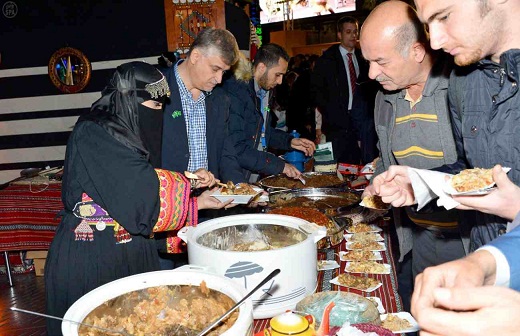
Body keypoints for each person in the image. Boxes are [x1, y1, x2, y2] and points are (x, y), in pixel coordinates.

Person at [45, 61, 231, 335]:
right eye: (155, 107)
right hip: (93, 257)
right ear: (129, 101)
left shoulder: (125, 136)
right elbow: (139, 195)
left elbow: (138, 191)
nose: (159, 115)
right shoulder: (94, 133)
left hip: (130, 252)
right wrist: (188, 182)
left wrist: (200, 202)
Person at [359, 0, 468, 311]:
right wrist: (377, 182)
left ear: (417, 52)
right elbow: (386, 158)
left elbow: (481, 170)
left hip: (466, 244)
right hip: (414, 241)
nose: (371, 73)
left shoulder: (458, 87)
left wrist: (417, 185)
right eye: (367, 61)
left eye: (381, 61)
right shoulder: (385, 99)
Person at [161, 27, 246, 185]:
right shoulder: (157, 91)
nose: (219, 79)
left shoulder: (220, 99)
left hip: (209, 204)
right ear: (195, 56)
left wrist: (240, 186)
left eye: (224, 72)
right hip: (169, 202)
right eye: (215, 69)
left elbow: (225, 152)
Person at [223, 43, 315, 182]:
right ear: (261, 68)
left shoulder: (264, 92)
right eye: (277, 75)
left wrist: (290, 141)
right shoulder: (236, 94)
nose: (280, 81)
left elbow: (263, 132)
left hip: (253, 173)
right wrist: (280, 166)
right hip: (235, 177)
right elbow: (237, 149)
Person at [310, 16, 372, 164]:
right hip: (335, 124)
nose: (353, 36)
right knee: (330, 166)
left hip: (360, 121)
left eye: (355, 31)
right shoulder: (327, 60)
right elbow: (316, 92)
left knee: (358, 164)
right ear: (339, 35)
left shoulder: (363, 58)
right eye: (349, 32)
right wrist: (331, 113)